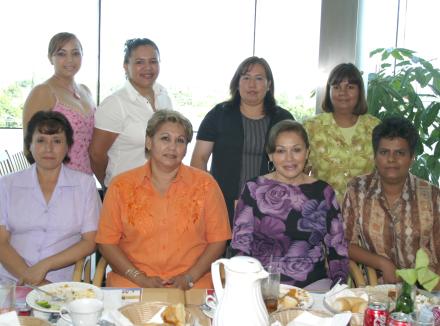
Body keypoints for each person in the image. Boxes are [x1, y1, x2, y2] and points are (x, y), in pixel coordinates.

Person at [96, 110, 231, 289]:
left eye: (180, 140)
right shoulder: (121, 186)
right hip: (132, 284)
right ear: (149, 142)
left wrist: (190, 277)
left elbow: (218, 241)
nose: (172, 147)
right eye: (165, 138)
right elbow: (106, 243)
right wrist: (139, 278)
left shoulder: (206, 185)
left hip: (193, 285)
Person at [231, 120, 349, 289]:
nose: (289, 159)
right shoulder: (253, 189)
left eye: (296, 150)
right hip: (262, 284)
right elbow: (240, 245)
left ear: (307, 152)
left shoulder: (323, 191)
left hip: (313, 285)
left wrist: (337, 291)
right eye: (281, 151)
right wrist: (244, 286)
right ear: (270, 155)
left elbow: (338, 248)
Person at [0, 111, 101, 285]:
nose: (49, 148)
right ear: (29, 145)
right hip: (13, 281)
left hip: (62, 284)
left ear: (68, 146)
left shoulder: (84, 185)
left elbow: (90, 241)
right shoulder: (7, 185)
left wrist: (45, 265)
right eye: (40, 140)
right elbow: (1, 242)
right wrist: (33, 279)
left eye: (57, 141)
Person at [191, 56, 294, 225]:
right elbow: (199, 159)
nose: (252, 84)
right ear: (237, 83)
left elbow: (294, 163)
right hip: (222, 204)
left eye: (259, 78)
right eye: (246, 77)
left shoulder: (282, 119)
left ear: (269, 85)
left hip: (271, 207)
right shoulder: (219, 114)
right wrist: (209, 196)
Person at [342, 116, 440, 284]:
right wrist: (383, 263)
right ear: (375, 156)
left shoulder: (432, 195)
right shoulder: (357, 189)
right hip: (376, 289)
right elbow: (344, 243)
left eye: (400, 153)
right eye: (384, 152)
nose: (391, 159)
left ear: (412, 157)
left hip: (425, 290)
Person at [89, 38, 173, 189]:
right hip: (124, 192)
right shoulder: (115, 104)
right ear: (126, 66)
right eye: (140, 62)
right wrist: (110, 185)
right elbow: (96, 155)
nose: (148, 67)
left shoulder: (163, 96)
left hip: (159, 190)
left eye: (153, 61)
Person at [303, 63, 380, 203]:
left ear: (360, 91)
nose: (342, 93)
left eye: (350, 87)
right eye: (336, 87)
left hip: (365, 213)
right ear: (329, 90)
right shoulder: (312, 128)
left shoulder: (375, 127)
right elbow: (300, 172)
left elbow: (384, 173)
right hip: (322, 212)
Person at [23, 32, 96, 174]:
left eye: (75, 53)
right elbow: (29, 147)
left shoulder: (86, 91)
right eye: (62, 54)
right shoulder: (43, 92)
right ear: (51, 58)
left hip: (86, 181)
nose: (70, 60)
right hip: (57, 182)